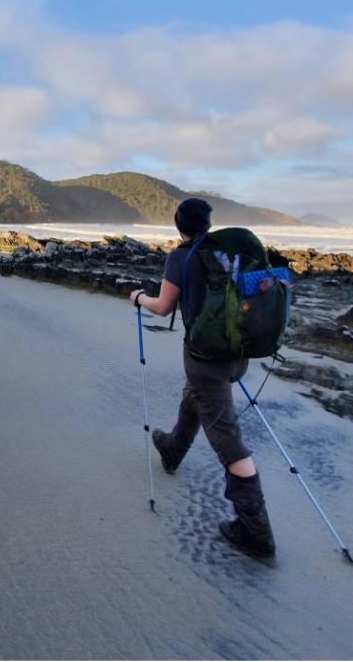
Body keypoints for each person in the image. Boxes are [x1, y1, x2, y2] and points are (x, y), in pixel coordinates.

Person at [129, 197, 276, 559]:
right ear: (208, 224)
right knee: (197, 395)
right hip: (238, 356)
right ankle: (172, 449)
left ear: (178, 225)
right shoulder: (225, 253)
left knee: (228, 443)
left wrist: (139, 298)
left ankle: (256, 533)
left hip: (205, 359)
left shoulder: (180, 256)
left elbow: (163, 306)